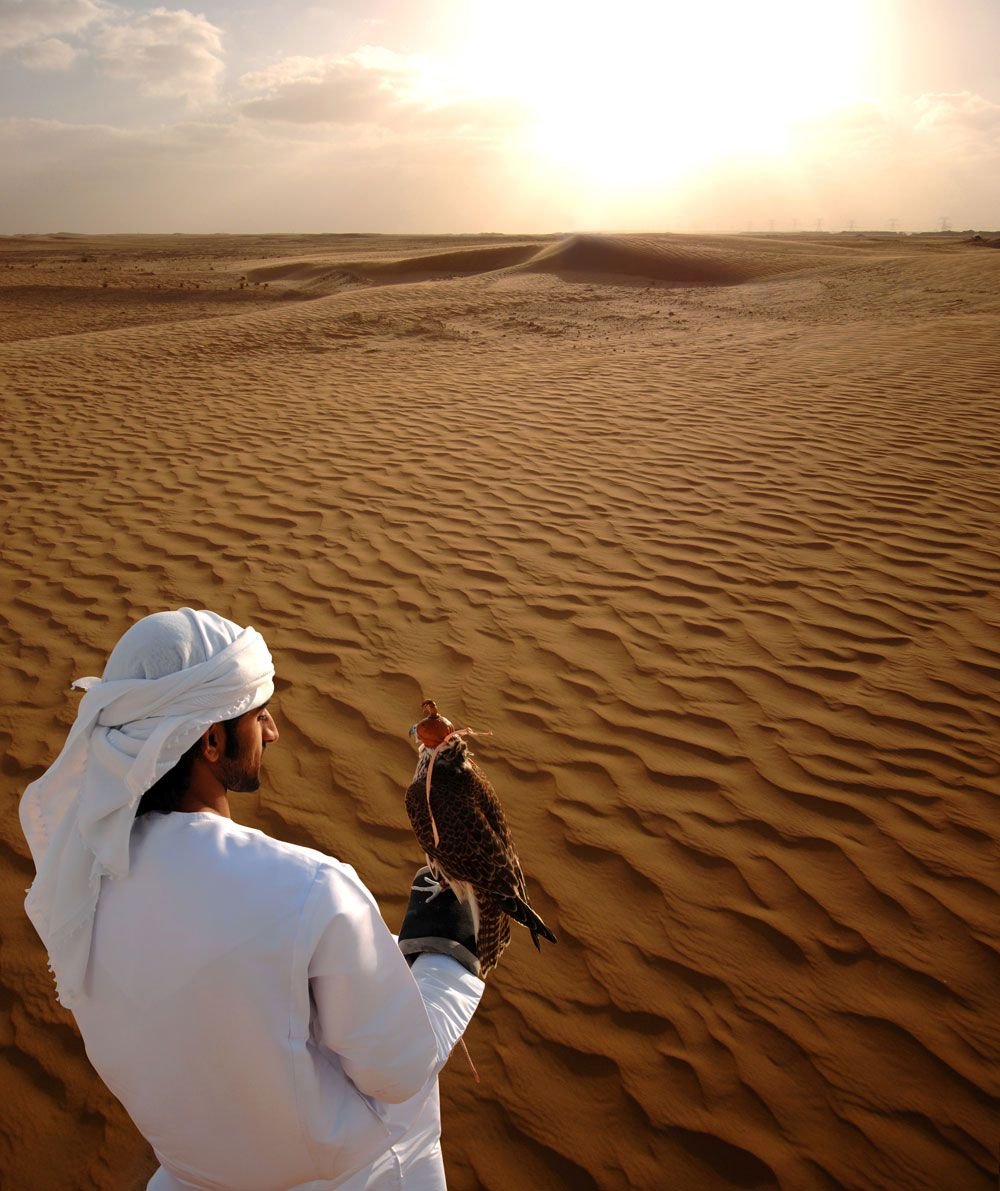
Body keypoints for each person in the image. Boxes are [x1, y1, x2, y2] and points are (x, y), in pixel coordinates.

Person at [18, 608, 484, 1190]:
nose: (273, 732)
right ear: (212, 741)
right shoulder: (307, 889)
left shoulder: (79, 883)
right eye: (260, 715)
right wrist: (447, 960)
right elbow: (399, 1070)